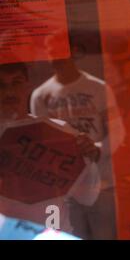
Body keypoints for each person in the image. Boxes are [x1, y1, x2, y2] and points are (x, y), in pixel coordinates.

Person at [30, 45, 125, 240]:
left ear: (73, 53)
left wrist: (97, 150)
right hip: (65, 191)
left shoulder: (97, 88)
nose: (54, 56)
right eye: (50, 51)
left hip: (101, 184)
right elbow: (37, 142)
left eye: (59, 50)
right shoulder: (40, 95)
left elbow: (117, 131)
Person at [0, 62, 100, 233]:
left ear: (27, 85)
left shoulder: (60, 132)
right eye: (1, 85)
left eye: (16, 82)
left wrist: (88, 157)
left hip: (52, 233)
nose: (9, 92)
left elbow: (88, 196)